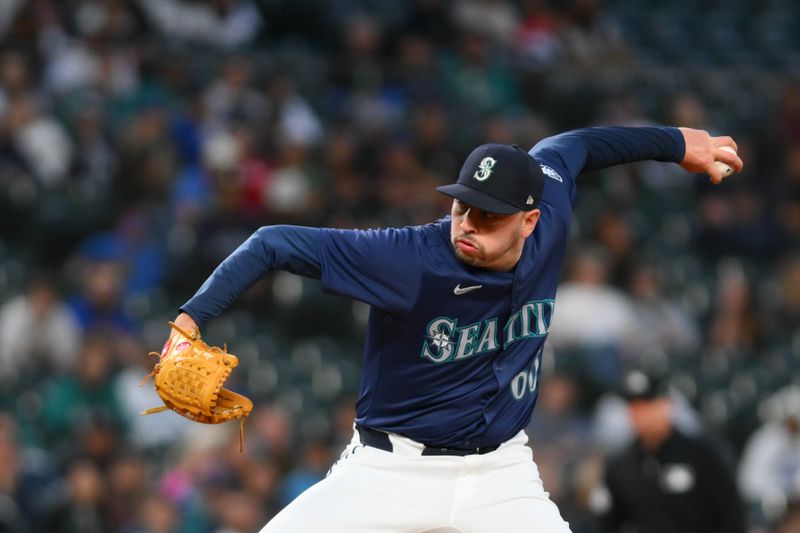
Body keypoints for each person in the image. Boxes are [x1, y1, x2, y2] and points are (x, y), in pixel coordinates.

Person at [165, 125, 742, 532]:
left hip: (500, 469)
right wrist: (190, 320)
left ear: (531, 220)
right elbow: (271, 244)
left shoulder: (552, 205)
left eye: (489, 215)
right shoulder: (409, 258)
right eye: (464, 206)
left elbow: (576, 146)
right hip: (391, 469)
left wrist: (673, 144)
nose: (467, 224)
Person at [595, 369, 746, 533]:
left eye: (648, 404)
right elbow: (608, 523)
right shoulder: (620, 466)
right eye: (634, 407)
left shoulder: (703, 454)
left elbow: (731, 516)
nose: (641, 414)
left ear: (666, 404)